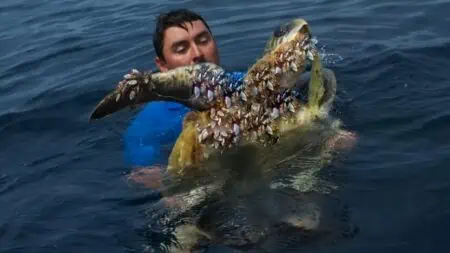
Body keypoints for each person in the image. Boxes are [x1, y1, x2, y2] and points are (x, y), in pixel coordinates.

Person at [124, 9, 246, 190]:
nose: (197, 53)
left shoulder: (245, 83)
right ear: (163, 66)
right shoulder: (148, 125)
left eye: (204, 41)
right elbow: (142, 175)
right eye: (181, 49)